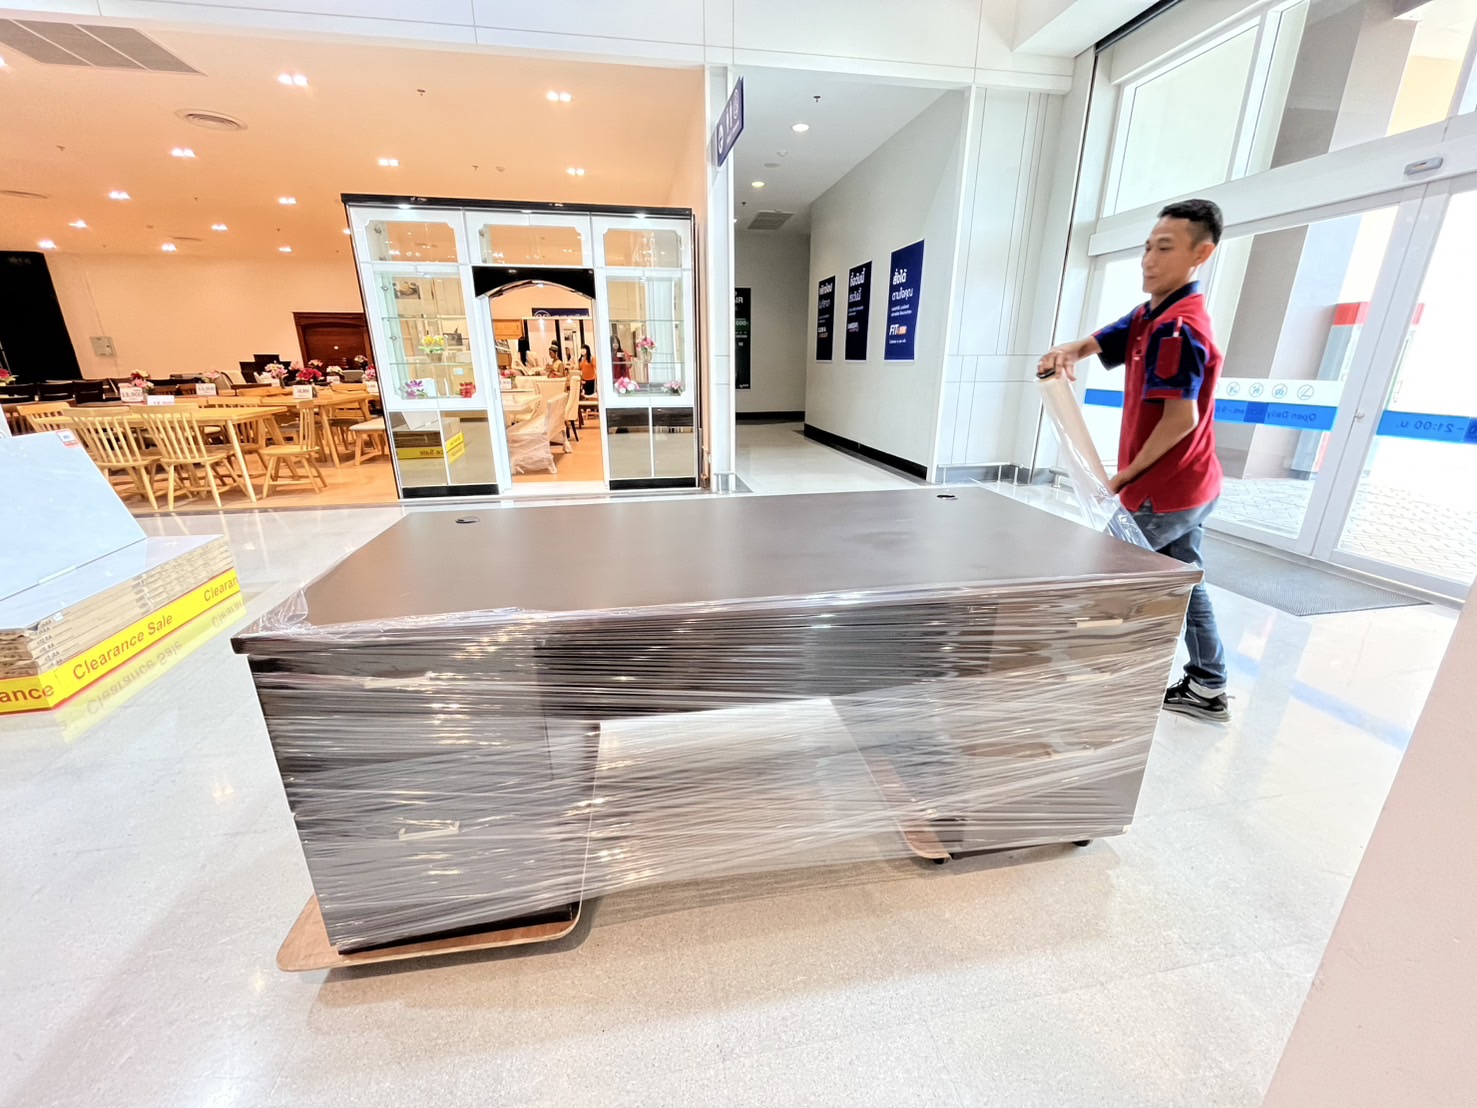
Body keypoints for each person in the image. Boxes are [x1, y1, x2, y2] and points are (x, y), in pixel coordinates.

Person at [1037, 198, 1231, 723]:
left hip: (1165, 491)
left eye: (1164, 248)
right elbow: (1104, 339)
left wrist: (1121, 478)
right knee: (1185, 582)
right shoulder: (1153, 314)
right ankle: (1208, 684)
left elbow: (1180, 419)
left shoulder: (1178, 328)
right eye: (1147, 247)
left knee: (1108, 578)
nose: (1148, 259)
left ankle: (1085, 686)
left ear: (1201, 255)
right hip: (1193, 484)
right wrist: (1067, 352)